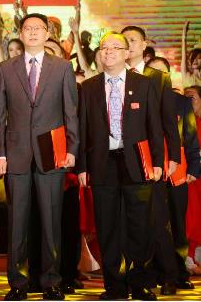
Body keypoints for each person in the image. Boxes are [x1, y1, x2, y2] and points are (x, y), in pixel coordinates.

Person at [0, 13, 79, 301]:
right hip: (16, 153)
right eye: (27, 28)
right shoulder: (5, 68)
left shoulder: (62, 67)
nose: (32, 33)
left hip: (52, 152)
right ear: (20, 33)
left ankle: (51, 281)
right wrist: (0, 153)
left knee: (51, 220)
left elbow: (70, 112)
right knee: (17, 222)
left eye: (38, 29)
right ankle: (18, 283)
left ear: (47, 34)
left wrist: (72, 149)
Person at [75, 32, 163, 301]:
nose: (109, 52)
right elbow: (83, 130)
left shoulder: (144, 84)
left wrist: (158, 163)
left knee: (140, 225)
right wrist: (82, 167)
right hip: (103, 163)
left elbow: (154, 126)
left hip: (137, 161)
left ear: (127, 53)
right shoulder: (89, 87)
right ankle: (114, 285)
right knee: (108, 225)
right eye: (104, 48)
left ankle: (140, 284)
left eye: (115, 47)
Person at [122, 25, 181, 295]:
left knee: (157, 218)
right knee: (128, 220)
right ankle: (134, 275)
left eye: (133, 40)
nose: (129, 44)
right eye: (125, 40)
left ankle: (169, 275)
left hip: (151, 156)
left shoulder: (158, 78)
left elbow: (169, 122)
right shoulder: (113, 76)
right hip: (122, 157)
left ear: (144, 45)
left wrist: (173, 157)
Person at [148, 56, 200, 289]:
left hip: (177, 172)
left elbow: (190, 137)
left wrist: (194, 167)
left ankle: (179, 272)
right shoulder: (140, 100)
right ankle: (156, 272)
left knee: (178, 223)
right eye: (151, 73)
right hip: (150, 171)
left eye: (161, 73)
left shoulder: (181, 102)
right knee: (153, 223)